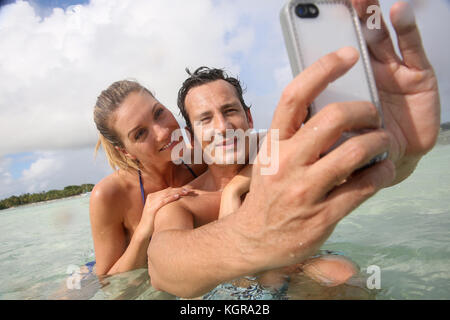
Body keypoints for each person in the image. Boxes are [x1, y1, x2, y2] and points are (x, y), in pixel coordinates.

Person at [147, 0, 440, 298]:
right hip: (231, 294)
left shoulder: (284, 164)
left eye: (230, 111)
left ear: (248, 118)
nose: (222, 127)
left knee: (341, 274)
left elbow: (366, 173)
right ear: (192, 136)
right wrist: (250, 230)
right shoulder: (183, 203)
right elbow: (163, 268)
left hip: (299, 268)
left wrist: (404, 150)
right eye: (206, 119)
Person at [90, 80, 247, 276]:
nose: (163, 132)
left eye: (159, 113)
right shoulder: (110, 194)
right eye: (140, 133)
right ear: (125, 151)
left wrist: (236, 186)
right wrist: (144, 231)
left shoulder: (199, 160)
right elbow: (106, 281)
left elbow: (260, 149)